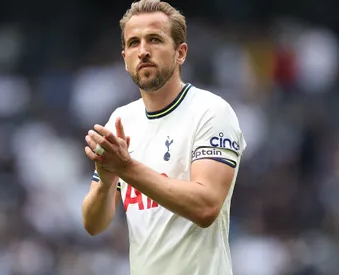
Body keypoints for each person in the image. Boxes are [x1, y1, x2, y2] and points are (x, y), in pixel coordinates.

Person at [81, 0, 246, 274]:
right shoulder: (121, 121)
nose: (143, 51)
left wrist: (126, 168)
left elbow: (206, 207)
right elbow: (94, 225)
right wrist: (106, 179)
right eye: (134, 43)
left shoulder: (210, 112)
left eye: (154, 39)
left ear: (180, 53)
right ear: (124, 59)